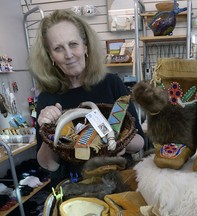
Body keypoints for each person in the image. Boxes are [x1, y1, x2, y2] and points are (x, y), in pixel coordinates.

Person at [28, 9, 144, 186]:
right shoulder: (47, 98)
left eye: (73, 44)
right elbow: (47, 164)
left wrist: (118, 143)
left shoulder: (111, 84)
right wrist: (47, 129)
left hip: (116, 185)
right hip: (73, 191)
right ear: (51, 56)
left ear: (85, 46)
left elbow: (140, 142)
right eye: (58, 48)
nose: (68, 55)